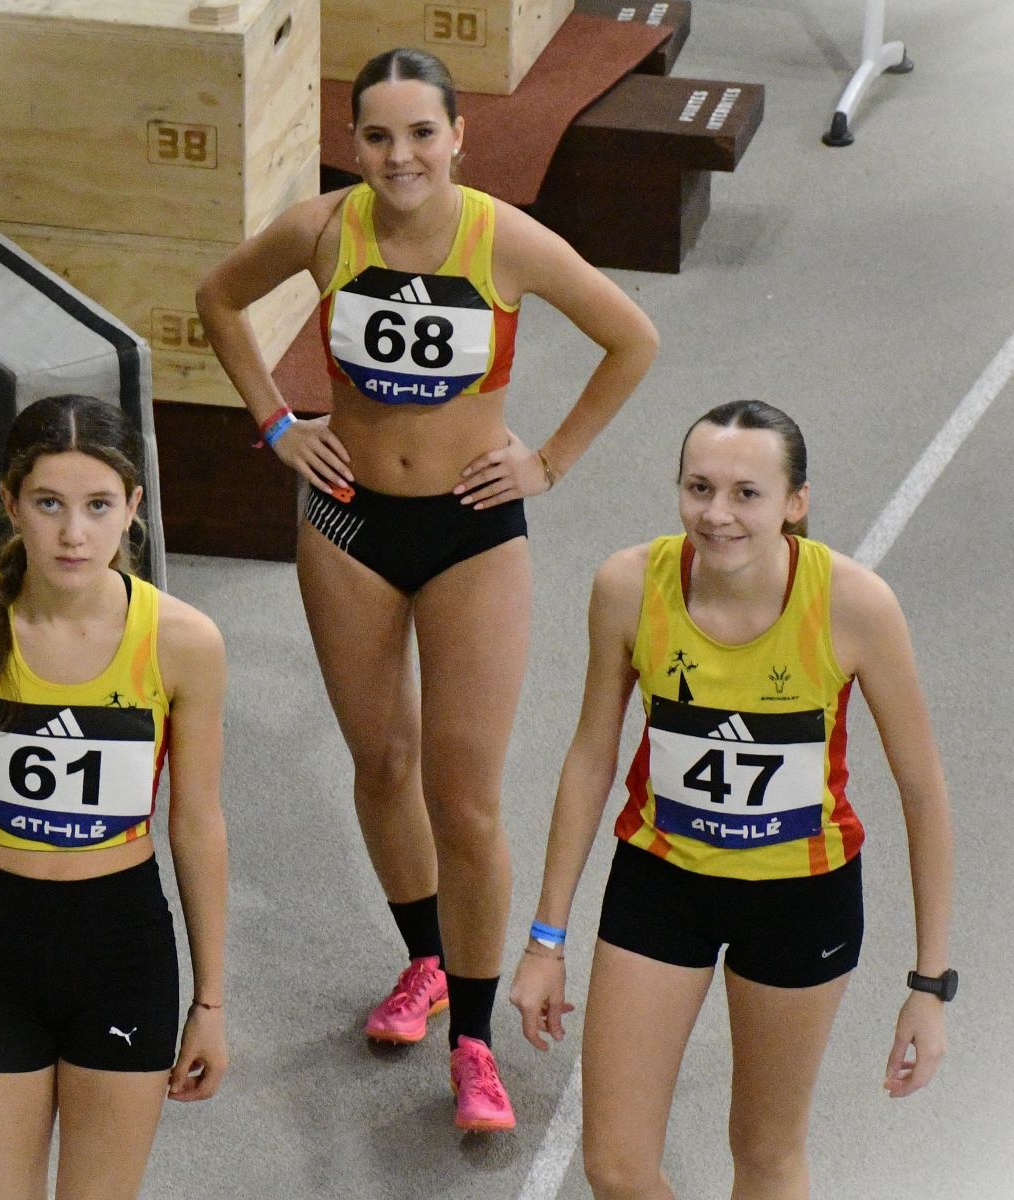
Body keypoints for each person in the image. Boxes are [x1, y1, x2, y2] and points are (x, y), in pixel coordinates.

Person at [195, 47, 658, 1130]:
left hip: (471, 532)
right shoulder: (323, 230)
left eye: (420, 133)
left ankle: (476, 1042)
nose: (399, 155)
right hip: (346, 524)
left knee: (466, 798)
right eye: (377, 136)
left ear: (458, 136)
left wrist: (549, 461)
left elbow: (632, 339)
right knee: (383, 763)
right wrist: (276, 424)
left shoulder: (506, 239)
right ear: (354, 144)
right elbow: (217, 297)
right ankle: (426, 962)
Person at [510, 399, 955, 1198]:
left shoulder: (856, 606)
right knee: (615, 1167)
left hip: (801, 901)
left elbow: (923, 794)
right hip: (661, 883)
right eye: (699, 488)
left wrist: (929, 987)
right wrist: (546, 940)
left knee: (765, 1153)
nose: (717, 514)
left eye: (747, 494)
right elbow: (590, 757)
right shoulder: (627, 586)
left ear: (795, 502)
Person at [0, 394, 229, 1200]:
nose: (74, 534)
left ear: (133, 507)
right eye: (49, 504)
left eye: (98, 506)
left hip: (122, 949)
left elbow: (198, 823)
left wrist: (210, 1000)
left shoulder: (183, 643)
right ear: (10, 503)